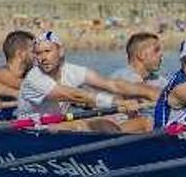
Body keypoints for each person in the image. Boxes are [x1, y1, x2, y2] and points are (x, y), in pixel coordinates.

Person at [17, 31, 158, 130]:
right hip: (31, 131)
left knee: (104, 125)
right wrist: (119, 102)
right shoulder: (35, 77)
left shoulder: (73, 71)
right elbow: (75, 95)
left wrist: (152, 93)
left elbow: (111, 84)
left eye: (47, 51)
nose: (43, 58)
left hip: (53, 127)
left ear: (61, 51)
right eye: (38, 53)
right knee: (80, 125)